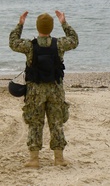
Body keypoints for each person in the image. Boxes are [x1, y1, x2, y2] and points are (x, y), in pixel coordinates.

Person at [9, 10, 79, 169]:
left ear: (37, 26)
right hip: (55, 89)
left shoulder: (29, 46)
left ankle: (34, 159)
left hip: (35, 91)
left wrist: (20, 24)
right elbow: (74, 40)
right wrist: (64, 23)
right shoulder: (59, 44)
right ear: (51, 28)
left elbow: (13, 42)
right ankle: (59, 159)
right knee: (56, 123)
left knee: (35, 123)